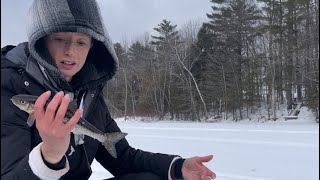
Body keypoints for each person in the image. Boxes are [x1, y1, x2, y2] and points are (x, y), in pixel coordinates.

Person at [1, 0, 216, 180]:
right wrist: (48, 155)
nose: (70, 51)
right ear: (41, 42)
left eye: (81, 42)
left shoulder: (89, 95)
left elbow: (124, 159)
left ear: (92, 46)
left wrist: (178, 167)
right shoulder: (10, 88)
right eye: (60, 39)